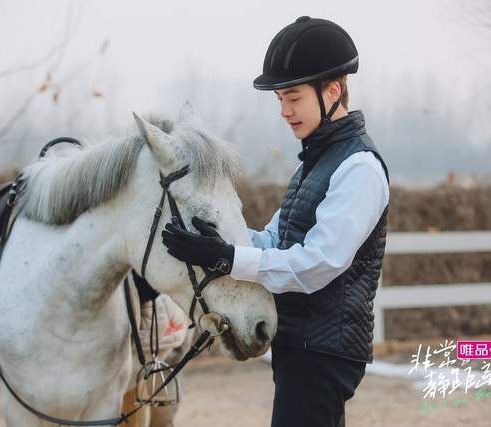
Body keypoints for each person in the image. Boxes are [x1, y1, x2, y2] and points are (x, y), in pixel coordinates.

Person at [161, 16, 390, 427]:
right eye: (279, 100)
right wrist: (219, 239)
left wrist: (228, 258)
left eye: (293, 98)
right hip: (300, 343)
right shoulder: (314, 165)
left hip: (324, 351)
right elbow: (272, 241)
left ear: (333, 91)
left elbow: (320, 263)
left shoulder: (359, 168)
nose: (284, 111)